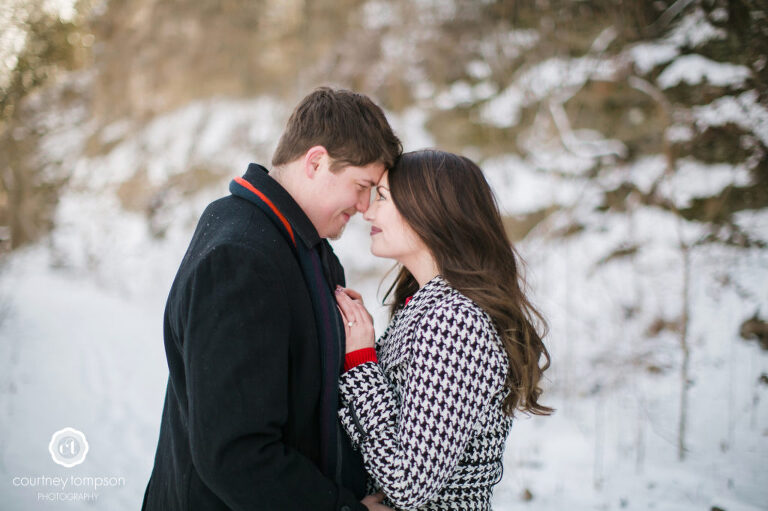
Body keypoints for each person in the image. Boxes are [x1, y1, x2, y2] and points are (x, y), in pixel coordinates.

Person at [141, 87, 402, 511]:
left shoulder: (299, 245)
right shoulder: (241, 257)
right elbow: (236, 454)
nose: (364, 205)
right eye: (361, 185)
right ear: (316, 161)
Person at [334, 150, 553, 510]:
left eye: (383, 197)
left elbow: (407, 482)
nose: (368, 211)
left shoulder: (455, 321)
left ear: (429, 212)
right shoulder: (428, 306)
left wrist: (360, 361)